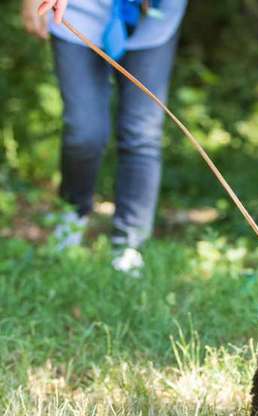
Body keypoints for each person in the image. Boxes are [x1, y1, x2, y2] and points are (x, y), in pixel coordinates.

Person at [21, 0, 187, 276]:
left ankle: (129, 243)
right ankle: (72, 215)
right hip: (77, 13)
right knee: (84, 132)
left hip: (154, 22)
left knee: (142, 134)